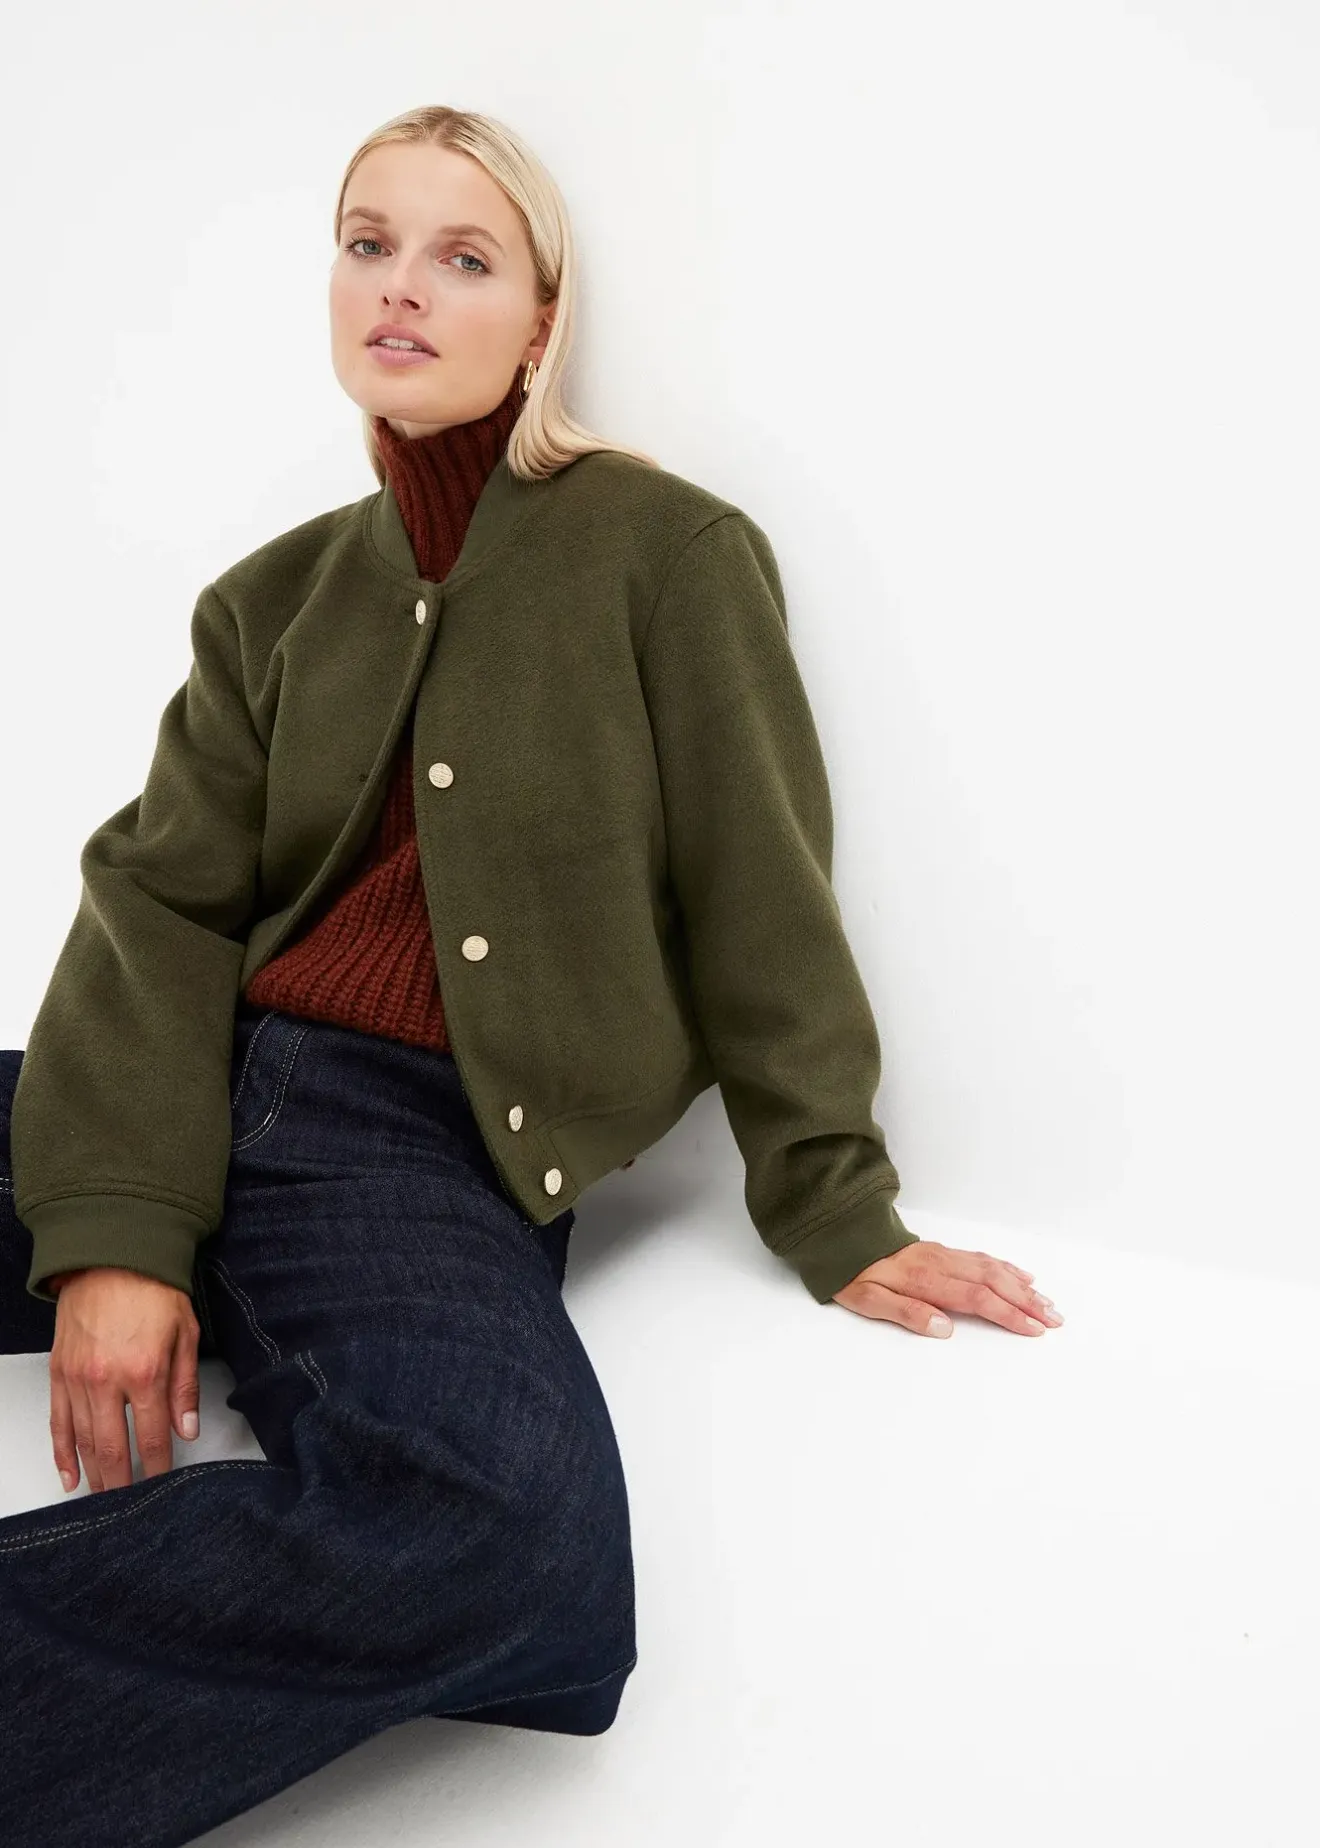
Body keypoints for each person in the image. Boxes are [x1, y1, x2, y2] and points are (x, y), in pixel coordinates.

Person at [0, 103, 1062, 1846]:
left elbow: (760, 894)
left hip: (406, 1151)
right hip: (187, 1074)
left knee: (510, 1536)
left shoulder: (668, 555)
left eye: (463, 256)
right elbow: (161, 906)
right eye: (368, 244)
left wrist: (835, 1202)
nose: (400, 287)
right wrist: (120, 1229)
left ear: (542, 321)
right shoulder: (270, 600)